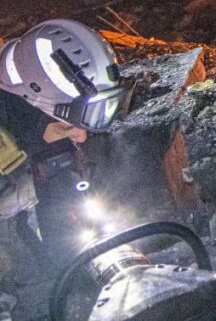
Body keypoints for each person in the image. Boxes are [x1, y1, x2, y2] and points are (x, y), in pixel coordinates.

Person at [0, 19, 133, 257]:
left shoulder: (26, 115)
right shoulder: (20, 114)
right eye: (66, 127)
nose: (80, 137)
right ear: (30, 111)